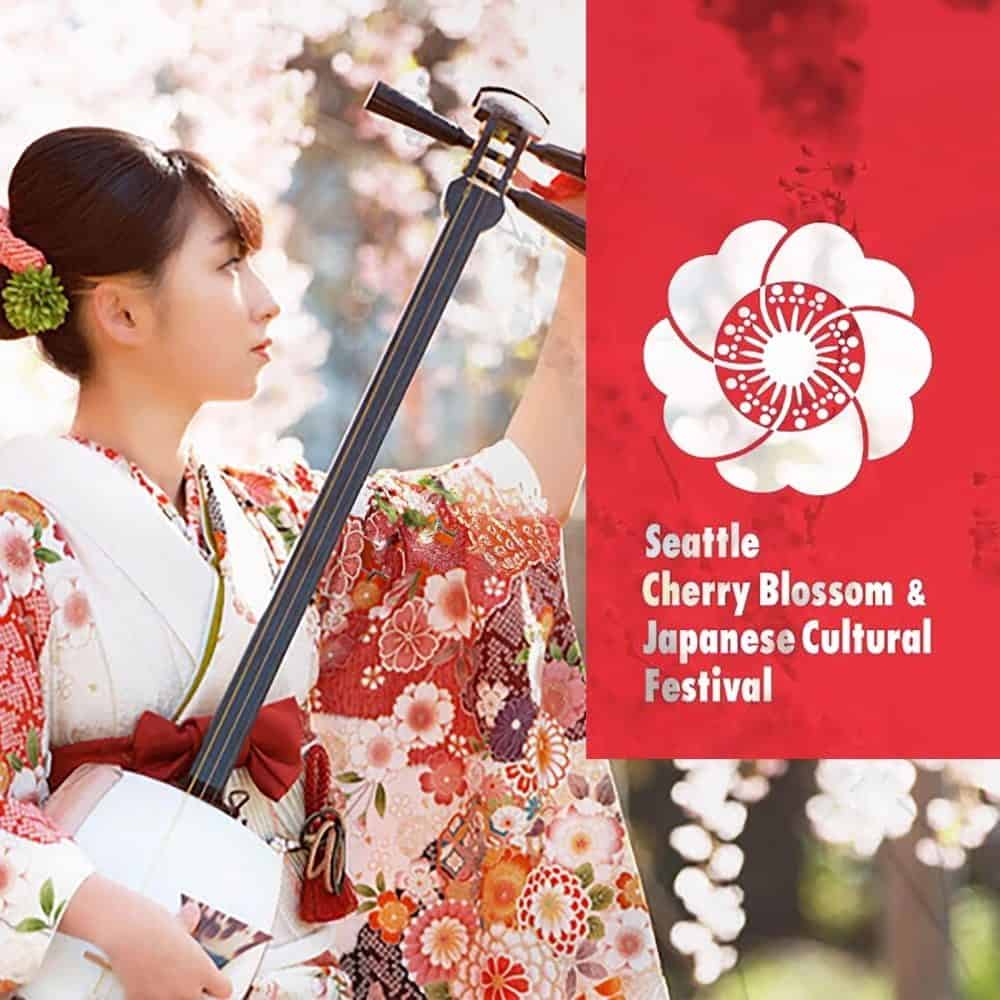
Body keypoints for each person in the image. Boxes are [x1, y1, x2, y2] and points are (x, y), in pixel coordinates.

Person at [0, 127, 669, 999]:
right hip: (107, 963)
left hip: (261, 955)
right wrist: (113, 920)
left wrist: (592, 264)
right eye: (227, 265)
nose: (266, 300)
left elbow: (511, 509)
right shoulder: (21, 532)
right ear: (122, 312)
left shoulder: (275, 519)